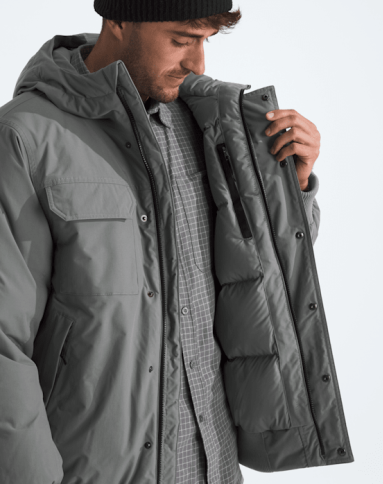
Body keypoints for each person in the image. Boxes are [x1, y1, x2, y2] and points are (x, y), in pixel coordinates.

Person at [0, 1, 354, 483]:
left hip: (212, 465)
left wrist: (290, 190)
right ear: (118, 20)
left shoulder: (212, 127)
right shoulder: (24, 138)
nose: (198, 64)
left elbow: (259, 276)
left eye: (205, 41)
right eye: (181, 40)